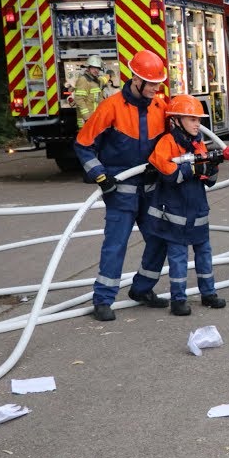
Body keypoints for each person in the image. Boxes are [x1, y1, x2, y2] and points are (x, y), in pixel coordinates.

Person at [73, 49, 172, 322]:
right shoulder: (111, 107)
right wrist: (101, 176)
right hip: (120, 190)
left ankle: (141, 289)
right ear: (136, 80)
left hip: (151, 189)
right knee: (116, 245)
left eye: (158, 83)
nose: (156, 88)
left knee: (160, 240)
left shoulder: (160, 107)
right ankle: (103, 299)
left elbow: (173, 142)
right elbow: (83, 145)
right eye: (151, 83)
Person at [140, 95, 227, 316]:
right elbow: (169, 175)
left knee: (204, 254)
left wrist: (212, 168)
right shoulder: (166, 143)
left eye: (198, 119)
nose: (197, 123)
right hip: (175, 215)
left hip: (198, 212)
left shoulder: (198, 143)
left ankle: (209, 294)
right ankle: (178, 299)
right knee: (178, 258)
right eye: (192, 119)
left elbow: (210, 180)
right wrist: (193, 169)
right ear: (177, 120)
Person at [72, 55, 106, 128]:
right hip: (86, 120)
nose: (96, 70)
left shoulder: (95, 81)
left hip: (94, 117)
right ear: (88, 68)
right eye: (93, 68)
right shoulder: (83, 80)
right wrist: (87, 117)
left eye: (98, 68)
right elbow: (79, 100)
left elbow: (98, 98)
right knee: (86, 138)